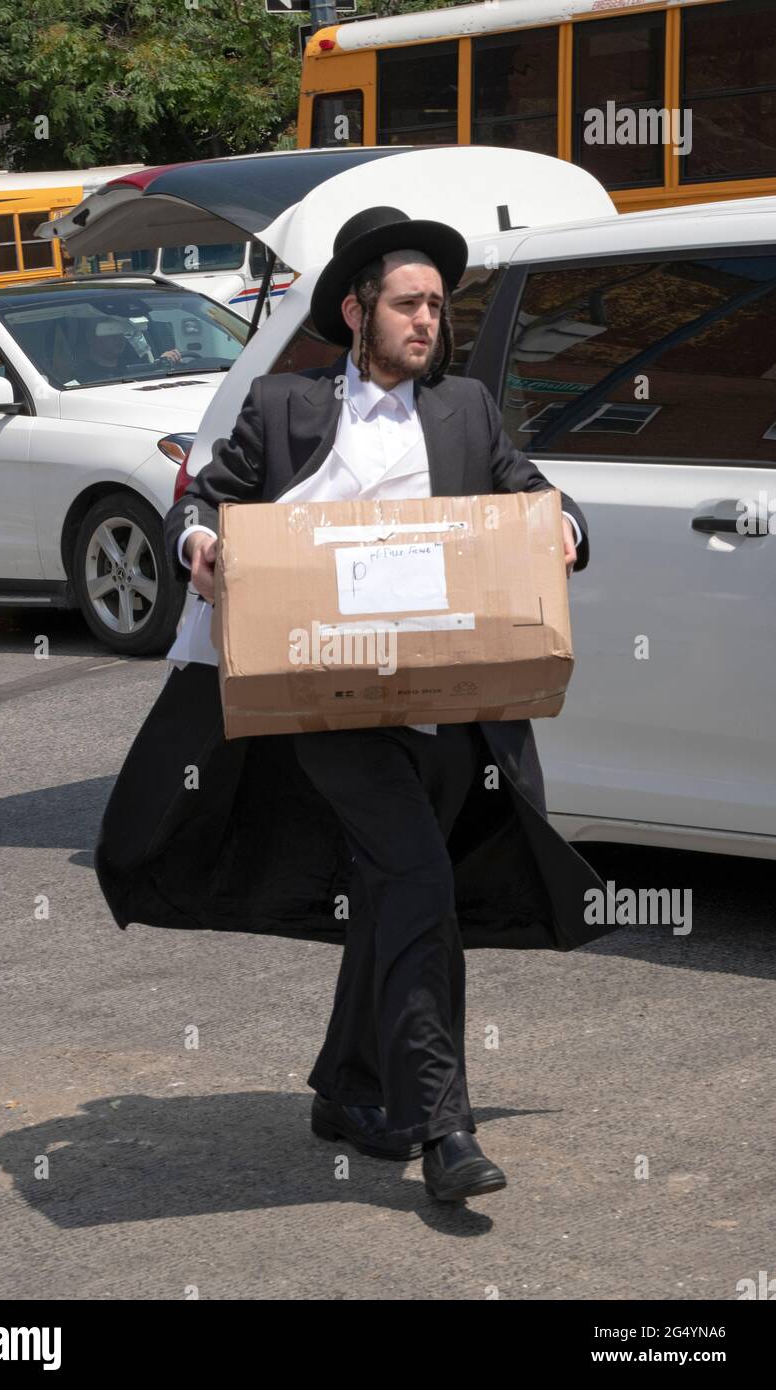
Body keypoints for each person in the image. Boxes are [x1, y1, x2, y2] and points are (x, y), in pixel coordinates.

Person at [94, 206, 618, 1206]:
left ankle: (345, 1086)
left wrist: (568, 527)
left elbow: (531, 491)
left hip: (444, 709)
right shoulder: (285, 405)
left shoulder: (464, 408)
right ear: (356, 309)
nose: (428, 320)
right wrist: (197, 542)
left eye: (436, 305)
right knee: (419, 876)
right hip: (326, 701)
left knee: (389, 891)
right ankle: (441, 1126)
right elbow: (204, 497)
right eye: (408, 303)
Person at [77, 317, 182, 379]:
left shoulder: (136, 364)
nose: (118, 338)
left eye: (120, 333)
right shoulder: (85, 376)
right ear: (91, 338)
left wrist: (161, 365)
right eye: (110, 333)